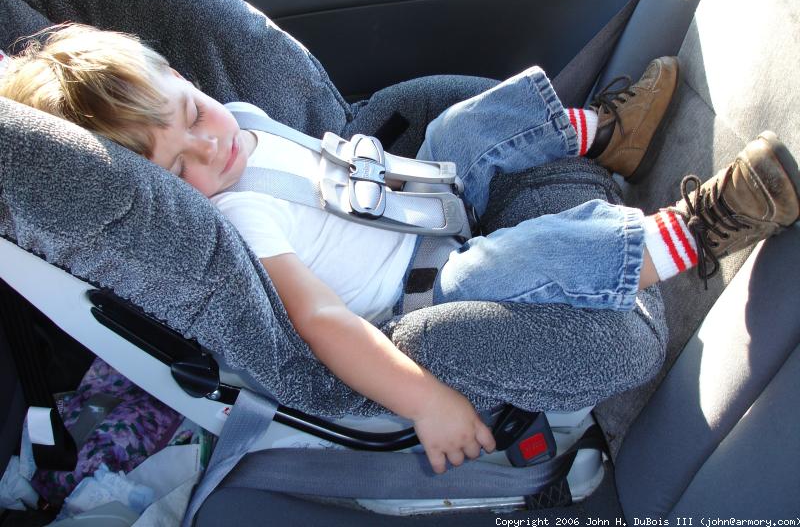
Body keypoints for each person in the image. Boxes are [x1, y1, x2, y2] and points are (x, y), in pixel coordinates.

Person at [2, 24, 799, 474]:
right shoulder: (237, 218)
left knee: (458, 127)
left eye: (190, 114)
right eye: (176, 169)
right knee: (499, 261)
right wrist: (424, 399)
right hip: (427, 290)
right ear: (160, 198)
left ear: (181, 74)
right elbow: (320, 322)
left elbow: (339, 164)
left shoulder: (241, 115)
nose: (207, 150)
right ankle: (693, 230)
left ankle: (601, 133)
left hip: (422, 205)